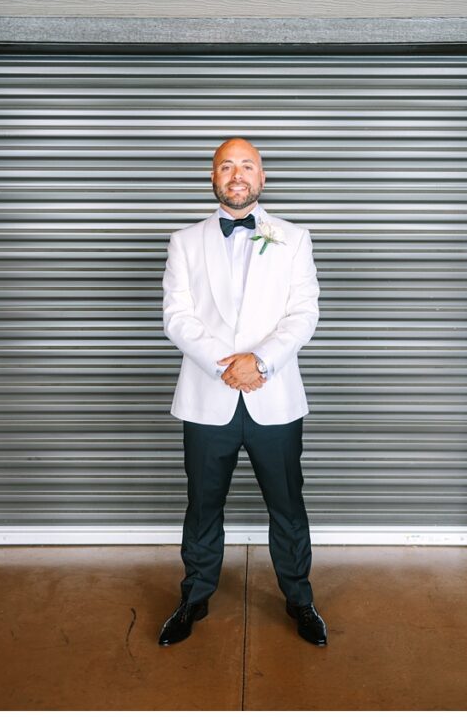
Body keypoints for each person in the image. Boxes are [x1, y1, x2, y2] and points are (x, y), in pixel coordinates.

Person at [158, 137, 326, 647]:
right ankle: (194, 598)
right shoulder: (184, 241)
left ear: (262, 176)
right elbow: (177, 319)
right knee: (202, 506)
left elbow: (304, 315)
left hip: (273, 398)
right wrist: (226, 365)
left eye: (246, 166)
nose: (237, 175)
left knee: (288, 507)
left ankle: (300, 599)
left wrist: (261, 362)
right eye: (226, 166)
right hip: (208, 399)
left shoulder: (293, 238)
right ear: (213, 177)